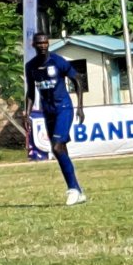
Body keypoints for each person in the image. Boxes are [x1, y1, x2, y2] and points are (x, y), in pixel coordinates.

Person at [24, 32, 87, 206]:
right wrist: (27, 113)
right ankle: (77, 190)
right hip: (48, 111)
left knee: (58, 147)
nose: (43, 45)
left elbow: (77, 80)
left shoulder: (58, 61)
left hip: (64, 109)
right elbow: (31, 91)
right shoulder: (31, 66)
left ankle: (73, 190)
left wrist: (80, 107)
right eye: (40, 43)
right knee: (59, 150)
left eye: (45, 42)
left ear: (48, 44)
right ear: (34, 45)